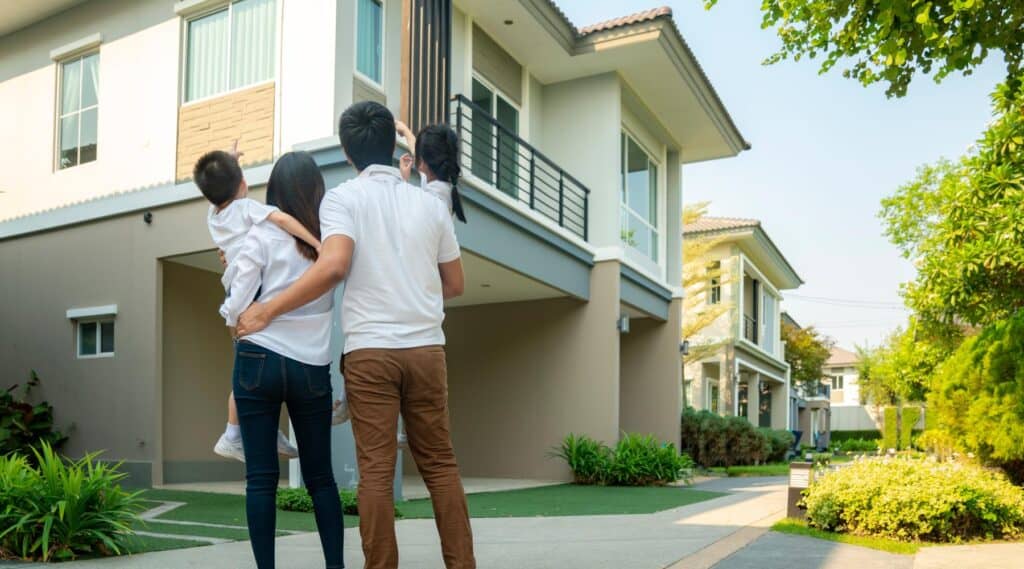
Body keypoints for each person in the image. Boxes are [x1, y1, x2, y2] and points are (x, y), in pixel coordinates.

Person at [237, 101, 476, 569]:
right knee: (442, 467)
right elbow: (455, 284)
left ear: (347, 152)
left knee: (376, 472)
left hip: (371, 356)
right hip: (427, 350)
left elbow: (334, 264)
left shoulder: (342, 200)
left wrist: (266, 310)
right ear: (392, 145)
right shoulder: (430, 205)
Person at [222, 151, 344, 569]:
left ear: (274, 191)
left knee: (260, 480)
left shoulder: (259, 234)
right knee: (321, 478)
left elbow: (240, 297)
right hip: (311, 367)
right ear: (317, 192)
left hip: (259, 358)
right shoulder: (330, 241)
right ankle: (335, 566)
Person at [195, 144, 321, 462]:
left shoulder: (214, 216)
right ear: (243, 185)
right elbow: (283, 220)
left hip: (236, 289)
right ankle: (231, 434)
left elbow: (224, 187)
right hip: (249, 291)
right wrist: (317, 243)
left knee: (243, 371)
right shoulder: (248, 209)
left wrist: (232, 163)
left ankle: (235, 431)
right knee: (253, 365)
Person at [395, 121, 467, 222]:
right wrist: (405, 131)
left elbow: (403, 220)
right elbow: (415, 149)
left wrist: (404, 180)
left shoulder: (431, 198)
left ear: (423, 163)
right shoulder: (439, 182)